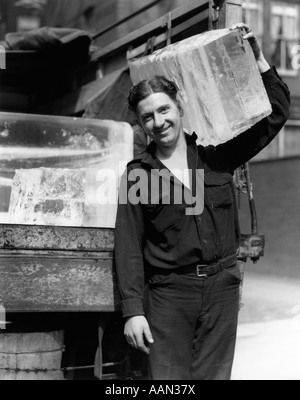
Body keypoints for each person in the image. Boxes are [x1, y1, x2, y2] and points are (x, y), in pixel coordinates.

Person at [114, 23, 290, 380]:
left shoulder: (215, 158)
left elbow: (277, 114)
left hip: (221, 290)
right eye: (148, 117)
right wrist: (133, 310)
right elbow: (129, 245)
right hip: (169, 296)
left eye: (164, 110)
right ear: (141, 124)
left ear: (178, 106)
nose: (159, 122)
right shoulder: (139, 176)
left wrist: (258, 58)